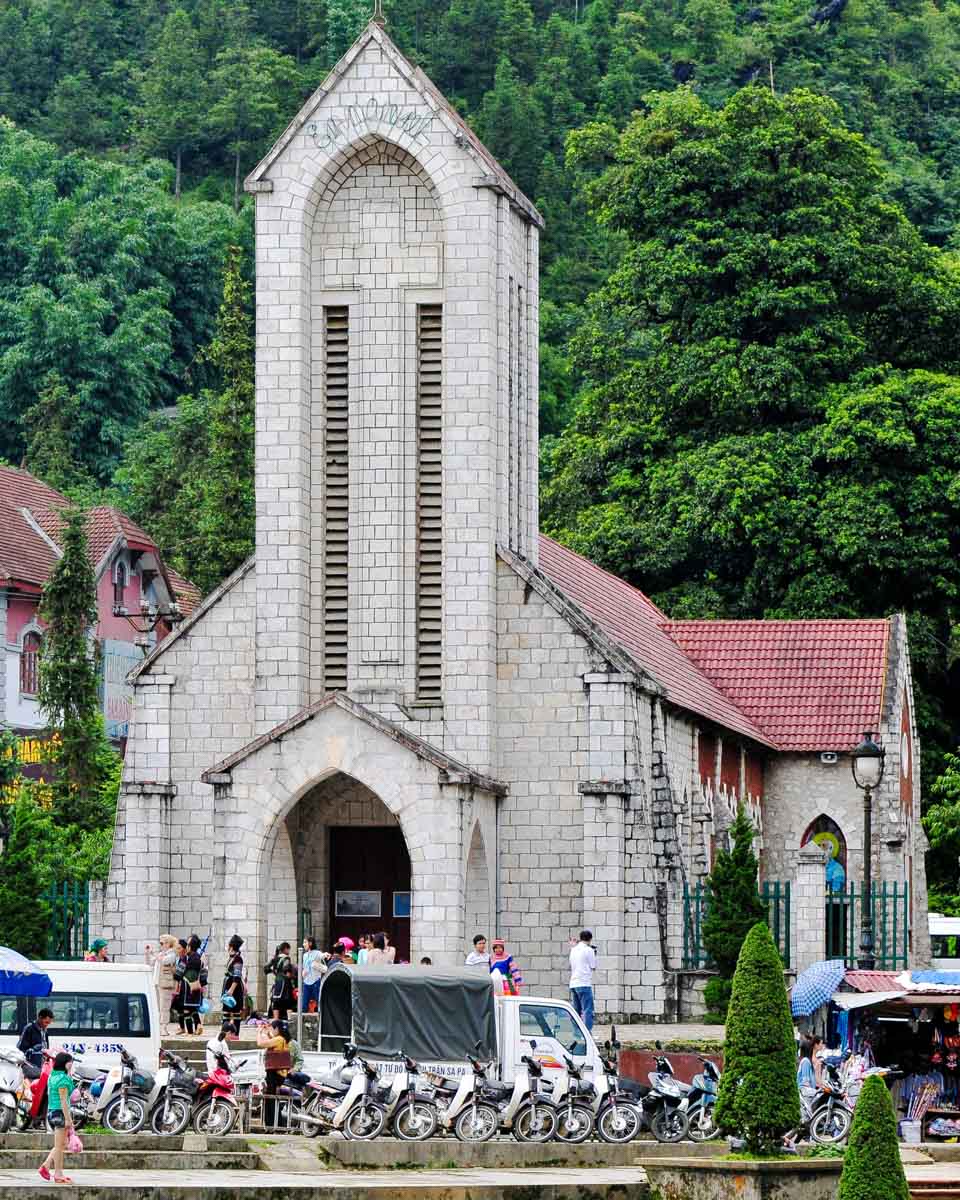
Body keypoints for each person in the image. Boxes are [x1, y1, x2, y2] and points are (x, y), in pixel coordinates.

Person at [37, 1051, 75, 1183]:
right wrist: (69, 1119)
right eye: (70, 1062)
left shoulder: (53, 1076)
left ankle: (46, 1166)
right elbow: (63, 1101)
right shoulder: (62, 1080)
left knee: (61, 1144)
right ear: (65, 1063)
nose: (72, 1064)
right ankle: (58, 1174)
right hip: (60, 1113)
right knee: (59, 1146)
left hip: (52, 1112)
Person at [257, 1019, 292, 1126]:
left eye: (272, 1029)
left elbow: (260, 1043)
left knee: (270, 1100)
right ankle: (275, 1124)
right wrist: (267, 1032)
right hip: (277, 1074)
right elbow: (271, 1042)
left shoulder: (279, 1039)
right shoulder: (281, 1039)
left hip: (275, 1075)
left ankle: (272, 1124)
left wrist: (259, 1032)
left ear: (277, 1029)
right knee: (271, 1099)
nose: (271, 1031)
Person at [146, 935, 179, 1035]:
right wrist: (148, 954)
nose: (160, 945)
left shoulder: (172, 954)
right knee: (158, 1006)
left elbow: (164, 960)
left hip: (166, 984)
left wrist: (154, 954)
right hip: (157, 982)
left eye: (162, 943)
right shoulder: (161, 954)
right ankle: (159, 1027)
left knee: (164, 1007)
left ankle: (164, 1027)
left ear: (168, 944)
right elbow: (151, 962)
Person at [568, 930, 598, 1032]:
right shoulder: (589, 950)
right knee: (588, 1010)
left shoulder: (573, 949)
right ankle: (587, 1033)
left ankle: (576, 1033)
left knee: (576, 1011)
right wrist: (594, 954)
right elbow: (593, 966)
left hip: (573, 983)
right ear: (590, 939)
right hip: (584, 983)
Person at [179, 934, 205, 1035]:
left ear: (190, 946)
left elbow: (180, 973)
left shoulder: (189, 959)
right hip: (196, 987)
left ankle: (189, 1032)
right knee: (192, 1008)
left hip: (188, 987)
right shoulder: (198, 958)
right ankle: (198, 1025)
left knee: (186, 1009)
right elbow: (203, 975)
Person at [221, 934, 246, 1034]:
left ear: (231, 946)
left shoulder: (238, 959)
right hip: (228, 985)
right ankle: (224, 1033)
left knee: (235, 1012)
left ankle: (235, 1034)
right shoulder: (232, 958)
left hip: (234, 988)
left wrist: (231, 990)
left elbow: (237, 976)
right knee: (226, 1012)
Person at [265, 942, 294, 1021]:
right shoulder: (286, 958)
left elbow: (266, 968)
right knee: (288, 1001)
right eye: (288, 949)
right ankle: (289, 1020)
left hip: (277, 981)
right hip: (285, 982)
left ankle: (276, 1021)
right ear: (286, 949)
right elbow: (286, 969)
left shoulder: (274, 958)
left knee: (276, 1001)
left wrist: (274, 972)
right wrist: (290, 976)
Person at [301, 936, 325, 1013]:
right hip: (306, 981)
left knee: (318, 1001)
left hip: (315, 981)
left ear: (310, 943)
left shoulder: (317, 953)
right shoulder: (304, 955)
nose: (303, 944)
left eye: (305, 942)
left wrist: (326, 955)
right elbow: (304, 966)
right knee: (304, 1004)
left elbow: (322, 955)